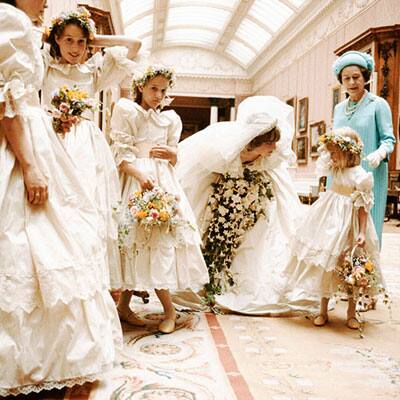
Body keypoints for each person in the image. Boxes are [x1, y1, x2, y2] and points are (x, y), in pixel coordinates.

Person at [0, 1, 121, 396]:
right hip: (23, 146)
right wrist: (30, 165)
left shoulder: (23, 26)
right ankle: (44, 362)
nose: (47, 1)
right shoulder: (11, 21)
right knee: (41, 248)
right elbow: (8, 106)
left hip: (43, 139)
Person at [173, 96, 308, 315]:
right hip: (221, 196)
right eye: (269, 142)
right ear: (255, 141)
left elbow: (270, 173)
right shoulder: (225, 151)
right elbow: (206, 174)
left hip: (254, 198)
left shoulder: (269, 158)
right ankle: (211, 276)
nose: (274, 146)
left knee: (257, 237)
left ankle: (243, 279)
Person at [41, 7, 141, 283]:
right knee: (55, 206)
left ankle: (83, 277)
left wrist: (95, 39)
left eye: (80, 41)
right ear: (57, 41)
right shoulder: (45, 66)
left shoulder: (93, 70)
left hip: (85, 144)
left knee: (84, 206)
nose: (75, 48)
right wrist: (50, 35)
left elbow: (134, 45)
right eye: (68, 40)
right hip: (50, 137)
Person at [110, 64, 209, 333]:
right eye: (153, 88)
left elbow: (175, 156)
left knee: (160, 238)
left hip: (163, 181)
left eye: (163, 90)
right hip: (137, 179)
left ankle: (169, 311)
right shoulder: (127, 111)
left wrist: (171, 155)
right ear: (141, 87)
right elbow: (120, 157)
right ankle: (124, 306)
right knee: (135, 240)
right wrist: (140, 175)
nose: (158, 95)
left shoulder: (170, 119)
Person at [276, 128, 381, 329]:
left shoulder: (361, 176)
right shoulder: (336, 169)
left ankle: (351, 312)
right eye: (330, 153)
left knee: (352, 266)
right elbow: (323, 162)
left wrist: (361, 232)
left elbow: (363, 206)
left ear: (347, 153)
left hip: (350, 222)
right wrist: (330, 152)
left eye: (334, 153)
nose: (330, 156)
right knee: (326, 264)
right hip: (329, 219)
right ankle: (322, 310)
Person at [332, 50, 396, 246]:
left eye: (356, 77)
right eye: (346, 78)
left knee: (368, 230)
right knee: (340, 230)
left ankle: (367, 273)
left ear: (366, 77)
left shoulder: (378, 104)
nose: (352, 82)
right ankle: (343, 275)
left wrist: (380, 152)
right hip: (342, 176)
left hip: (370, 173)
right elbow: (334, 142)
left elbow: (389, 139)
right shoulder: (338, 108)